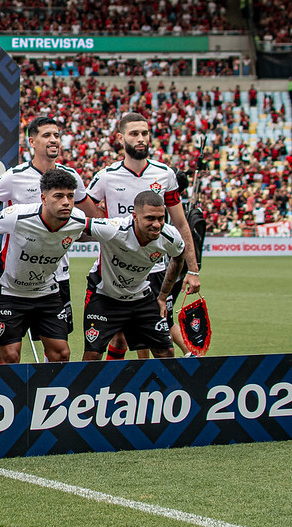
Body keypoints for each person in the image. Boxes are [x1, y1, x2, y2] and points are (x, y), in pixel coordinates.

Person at [0, 116, 101, 364]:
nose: (54, 140)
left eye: (57, 135)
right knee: (9, 349)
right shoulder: (14, 177)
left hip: (58, 275)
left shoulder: (71, 177)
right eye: (47, 135)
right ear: (31, 141)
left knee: (57, 348)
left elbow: (93, 215)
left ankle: (47, 394)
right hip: (15, 273)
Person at [86, 112, 200, 360]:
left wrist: (193, 269)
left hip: (156, 270)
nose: (141, 139)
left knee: (151, 335)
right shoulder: (106, 176)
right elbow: (86, 209)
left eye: (145, 133)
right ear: (120, 138)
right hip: (118, 266)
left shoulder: (165, 174)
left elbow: (180, 223)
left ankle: (145, 390)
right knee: (119, 336)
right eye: (134, 133)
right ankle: (121, 388)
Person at [0, 169, 88, 364]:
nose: (66, 202)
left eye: (70, 196)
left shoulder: (78, 220)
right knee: (10, 355)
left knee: (61, 353)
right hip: (8, 291)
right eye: (58, 196)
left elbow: (103, 232)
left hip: (45, 292)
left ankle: (49, 392)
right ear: (43, 197)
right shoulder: (17, 215)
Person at [81, 191, 186, 360]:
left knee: (166, 353)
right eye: (150, 218)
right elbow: (77, 225)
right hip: (104, 295)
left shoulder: (170, 236)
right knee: (93, 354)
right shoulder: (114, 228)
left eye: (161, 218)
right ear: (135, 216)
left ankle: (166, 387)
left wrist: (163, 296)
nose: (157, 224)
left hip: (141, 297)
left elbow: (179, 258)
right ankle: (93, 387)